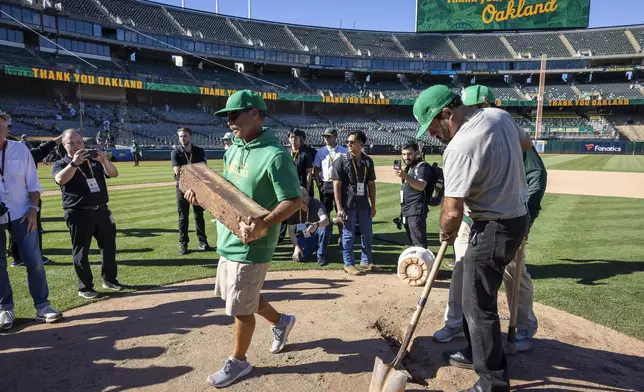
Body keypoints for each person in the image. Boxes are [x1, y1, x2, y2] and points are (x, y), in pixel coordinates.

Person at [413, 85, 532, 392]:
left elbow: (452, 212)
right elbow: (526, 143)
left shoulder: (459, 148)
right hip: (515, 217)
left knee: (478, 305)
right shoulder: (499, 115)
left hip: (493, 225)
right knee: (472, 294)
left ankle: (492, 382)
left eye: (434, 127)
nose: (433, 136)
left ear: (448, 114)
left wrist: (444, 232)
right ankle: (472, 351)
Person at [185, 90, 302, 388]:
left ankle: (239, 362)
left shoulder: (275, 155)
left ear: (255, 113)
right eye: (226, 117)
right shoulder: (234, 149)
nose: (228, 123)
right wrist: (201, 199)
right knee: (242, 297)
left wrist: (263, 223)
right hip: (228, 239)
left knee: (240, 307)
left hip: (253, 245)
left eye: (233, 115)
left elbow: (293, 200)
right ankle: (281, 322)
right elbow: (225, 195)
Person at [433, 85, 545, 353]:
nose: (479, 115)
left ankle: (520, 329)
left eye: (482, 109)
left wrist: (529, 211)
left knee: (501, 281)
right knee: (464, 271)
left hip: (503, 217)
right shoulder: (494, 124)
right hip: (475, 219)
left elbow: (536, 175)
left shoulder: (492, 130)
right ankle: (457, 324)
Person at [0, 111, 63, 331]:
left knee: (34, 261)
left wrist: (34, 209)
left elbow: (33, 183)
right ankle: (5, 308)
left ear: (7, 127)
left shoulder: (19, 149)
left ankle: (43, 306)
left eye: (2, 126)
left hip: (22, 213)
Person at [52, 129, 123, 299]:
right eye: (71, 143)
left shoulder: (93, 161)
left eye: (79, 142)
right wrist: (74, 164)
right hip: (78, 212)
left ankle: (110, 279)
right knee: (81, 251)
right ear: (64, 145)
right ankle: (85, 288)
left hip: (101, 210)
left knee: (109, 246)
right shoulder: (61, 163)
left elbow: (113, 173)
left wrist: (105, 161)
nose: (76, 146)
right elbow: (60, 179)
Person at [8, 133, 63, 267]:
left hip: (10, 199)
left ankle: (17, 257)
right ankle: (29, 256)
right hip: (27, 198)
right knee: (31, 228)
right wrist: (59, 139)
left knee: (14, 229)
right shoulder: (23, 155)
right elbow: (42, 150)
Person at [332, 130, 381, 276]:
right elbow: (336, 185)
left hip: (363, 204)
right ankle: (349, 264)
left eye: (352, 142)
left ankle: (366, 261)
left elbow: (371, 185)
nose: (348, 144)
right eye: (347, 142)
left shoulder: (368, 161)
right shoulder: (341, 160)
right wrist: (339, 208)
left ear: (361, 144)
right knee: (348, 234)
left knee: (367, 234)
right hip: (348, 205)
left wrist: (373, 205)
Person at [171, 127, 212, 255]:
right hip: (182, 188)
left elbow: (204, 171)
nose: (182, 139)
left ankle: (203, 241)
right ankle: (183, 244)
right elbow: (178, 173)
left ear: (190, 137)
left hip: (198, 188)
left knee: (199, 215)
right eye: (180, 136)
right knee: (183, 217)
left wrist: (195, 184)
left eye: (185, 136)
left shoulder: (199, 151)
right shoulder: (175, 152)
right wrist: (190, 181)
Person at [393, 140, 435, 248]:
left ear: (417, 153)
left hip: (416, 211)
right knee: (414, 243)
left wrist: (405, 176)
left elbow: (421, 186)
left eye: (409, 154)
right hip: (408, 211)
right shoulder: (411, 167)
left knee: (419, 245)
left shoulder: (422, 167)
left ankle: (426, 264)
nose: (406, 157)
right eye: (403, 154)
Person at [313, 128, 347, 247]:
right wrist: (319, 184)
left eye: (329, 136)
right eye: (325, 137)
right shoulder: (320, 151)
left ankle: (341, 235)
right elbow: (316, 169)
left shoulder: (343, 151)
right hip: (326, 184)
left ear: (335, 137)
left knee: (340, 211)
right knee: (325, 213)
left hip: (340, 184)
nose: (326, 139)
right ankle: (327, 235)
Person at [287, 186, 330, 266]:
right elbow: (291, 230)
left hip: (316, 229)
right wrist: (296, 247)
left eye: (306, 195)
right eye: (302, 199)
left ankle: (321, 256)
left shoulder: (315, 203)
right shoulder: (292, 208)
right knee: (300, 257)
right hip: (303, 234)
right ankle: (314, 246)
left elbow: (326, 220)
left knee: (324, 227)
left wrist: (316, 224)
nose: (306, 199)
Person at [288, 128, 314, 192]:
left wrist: (307, 191)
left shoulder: (306, 154)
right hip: (291, 186)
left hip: (303, 187)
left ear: (300, 139)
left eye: (295, 137)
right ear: (288, 139)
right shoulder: (287, 154)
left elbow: (309, 173)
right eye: (291, 137)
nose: (293, 139)